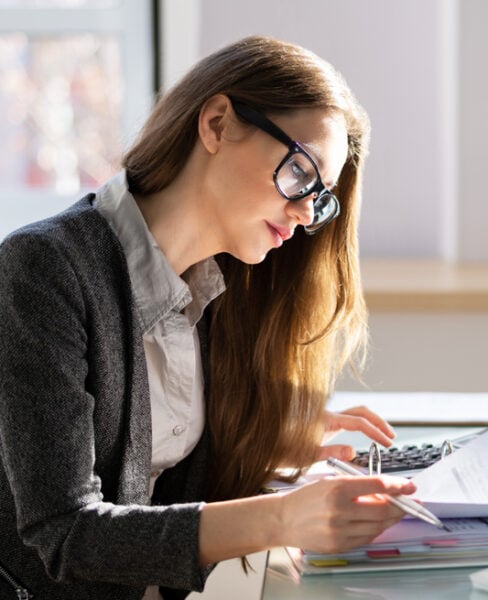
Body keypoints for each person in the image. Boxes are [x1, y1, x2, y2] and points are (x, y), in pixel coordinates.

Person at [0, 36, 416, 600]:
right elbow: (66, 534)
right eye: (301, 172)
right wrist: (283, 517)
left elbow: (144, 472)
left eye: (319, 196)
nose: (303, 211)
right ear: (217, 124)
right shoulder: (44, 268)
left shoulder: (221, 288)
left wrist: (263, 439)